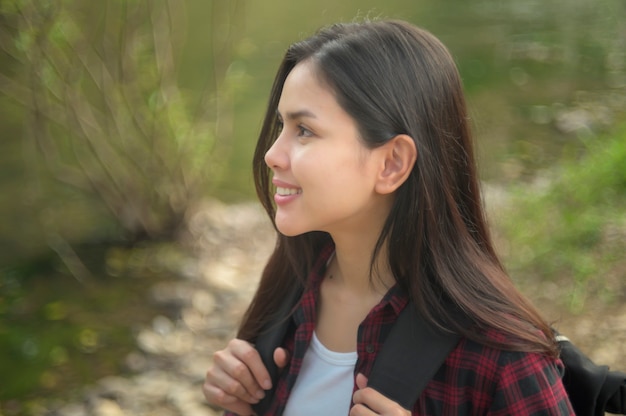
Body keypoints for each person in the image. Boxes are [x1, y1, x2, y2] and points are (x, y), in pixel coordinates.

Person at [203, 19, 575, 415]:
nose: (272, 155)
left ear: (392, 163)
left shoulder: (498, 353)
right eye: (281, 126)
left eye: (305, 130)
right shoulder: (289, 290)